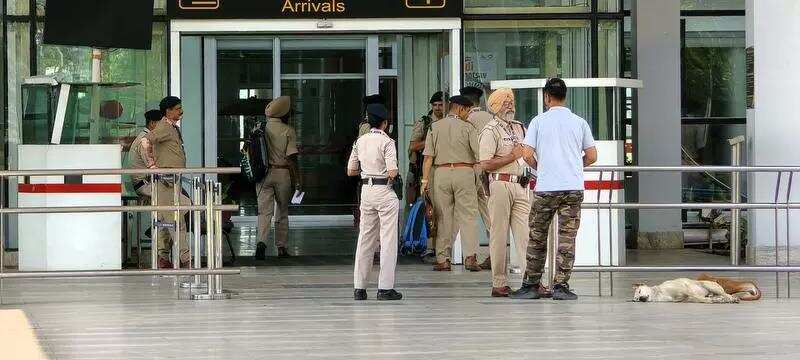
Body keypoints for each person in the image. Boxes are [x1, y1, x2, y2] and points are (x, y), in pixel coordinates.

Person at [512, 78, 598, 301]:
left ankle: (531, 284)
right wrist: (573, 166)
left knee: (538, 236)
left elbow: (526, 154)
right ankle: (561, 286)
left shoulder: (539, 121)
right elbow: (592, 156)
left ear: (546, 97)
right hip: (573, 188)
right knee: (567, 238)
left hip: (547, 187)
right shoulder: (579, 122)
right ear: (565, 96)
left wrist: (540, 168)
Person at [478, 88, 532, 297]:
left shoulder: (519, 128)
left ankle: (531, 280)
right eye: (504, 101)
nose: (509, 104)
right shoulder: (490, 130)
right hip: (500, 185)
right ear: (494, 106)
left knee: (525, 234)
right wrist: (512, 156)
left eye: (511, 100)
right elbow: (485, 164)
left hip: (520, 185)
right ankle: (499, 282)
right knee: (499, 235)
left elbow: (527, 154)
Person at [420, 95, 482, 272]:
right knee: (468, 216)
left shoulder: (435, 127)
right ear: (460, 109)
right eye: (468, 111)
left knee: (443, 217)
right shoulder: (468, 128)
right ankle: (470, 257)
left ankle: (443, 259)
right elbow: (478, 155)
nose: (468, 114)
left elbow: (428, 158)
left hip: (441, 173)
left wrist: (424, 181)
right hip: (464, 172)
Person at [348, 103, 403, 301]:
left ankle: (359, 288)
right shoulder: (387, 142)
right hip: (384, 190)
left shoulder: (359, 141)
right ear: (385, 123)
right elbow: (392, 171)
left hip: (366, 191)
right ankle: (385, 288)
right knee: (388, 240)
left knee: (365, 238)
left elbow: (351, 171)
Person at [141, 96, 192, 269]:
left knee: (165, 218)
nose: (181, 111)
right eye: (177, 108)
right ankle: (186, 258)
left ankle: (163, 257)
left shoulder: (171, 127)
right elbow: (146, 141)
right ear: (168, 111)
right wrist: (152, 165)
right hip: (166, 180)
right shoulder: (163, 127)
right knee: (176, 218)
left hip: (171, 179)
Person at [255, 96, 301, 260]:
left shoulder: (259, 128)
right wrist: (298, 179)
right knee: (282, 210)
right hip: (282, 173)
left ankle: (261, 242)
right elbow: (291, 158)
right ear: (284, 114)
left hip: (263, 175)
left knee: (264, 212)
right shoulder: (288, 130)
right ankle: (281, 247)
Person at [408, 91, 445, 264]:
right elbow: (413, 145)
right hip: (428, 170)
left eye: (440, 105)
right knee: (430, 210)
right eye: (435, 105)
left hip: (446, 169)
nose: (438, 108)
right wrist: (431, 141)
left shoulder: (450, 122)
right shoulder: (424, 123)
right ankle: (429, 246)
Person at [460, 86, 494, 270]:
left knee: (468, 213)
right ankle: (494, 254)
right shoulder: (491, 118)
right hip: (490, 169)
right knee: (489, 213)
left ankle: (470, 256)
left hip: (472, 168)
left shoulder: (467, 120)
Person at [129, 109, 163, 200]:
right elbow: (152, 166)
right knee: (182, 199)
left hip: (147, 182)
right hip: (144, 185)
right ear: (152, 123)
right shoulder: (146, 140)